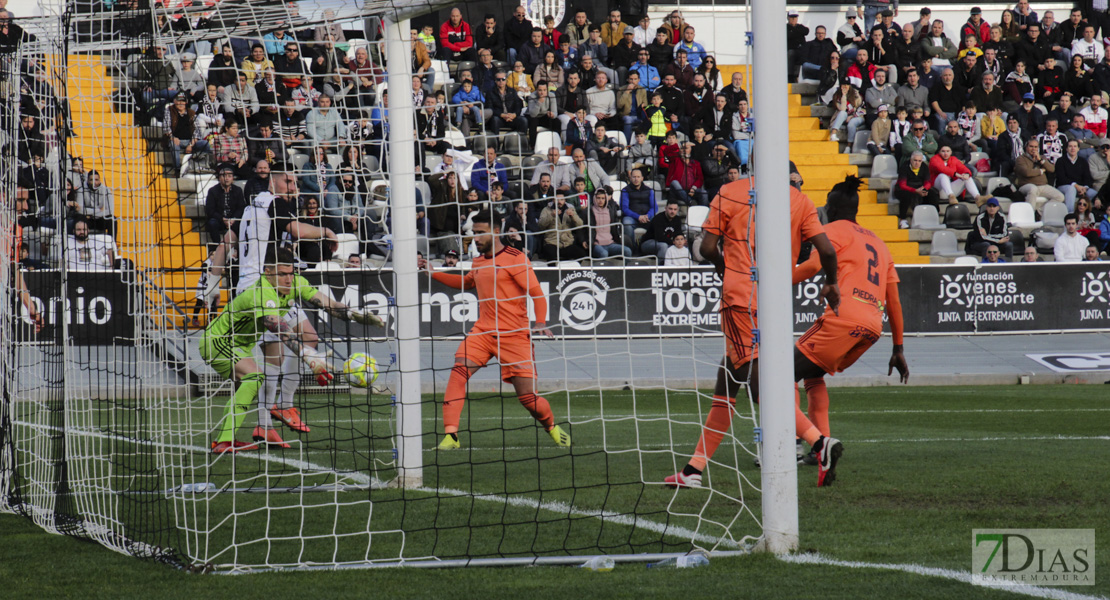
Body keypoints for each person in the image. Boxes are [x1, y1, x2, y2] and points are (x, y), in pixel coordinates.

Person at [664, 175, 842, 490]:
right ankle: (694, 469)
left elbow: (706, 247)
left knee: (759, 387)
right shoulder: (798, 199)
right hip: (774, 302)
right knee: (728, 379)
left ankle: (818, 443)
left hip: (741, 297)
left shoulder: (730, 192)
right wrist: (831, 282)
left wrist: (724, 267)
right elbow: (826, 251)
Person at [200, 247, 382, 453]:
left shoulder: (296, 283)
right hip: (217, 342)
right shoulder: (262, 293)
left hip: (239, 346)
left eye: (291, 273)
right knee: (254, 376)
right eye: (282, 274)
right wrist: (308, 356)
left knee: (254, 378)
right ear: (267, 272)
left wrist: (353, 315)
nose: (288, 279)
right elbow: (278, 328)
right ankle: (228, 439)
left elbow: (328, 304)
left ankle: (235, 436)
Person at [419, 210, 571, 450]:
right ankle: (451, 435)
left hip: (514, 336)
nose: (475, 238)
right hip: (483, 332)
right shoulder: (478, 260)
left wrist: (540, 322)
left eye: (480, 233)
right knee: (458, 372)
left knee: (528, 399)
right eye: (473, 233)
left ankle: (551, 426)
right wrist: (433, 273)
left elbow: (537, 295)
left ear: (496, 231)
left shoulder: (516, 258)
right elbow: (467, 282)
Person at [1014, 138, 1067, 209]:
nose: (1033, 149)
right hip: (1026, 186)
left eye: (1035, 147)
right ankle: (1030, 215)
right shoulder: (1020, 158)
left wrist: (1040, 160)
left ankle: (1040, 212)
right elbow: (1027, 172)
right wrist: (1041, 171)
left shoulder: (1041, 157)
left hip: (1042, 186)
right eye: (1031, 146)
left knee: (1060, 197)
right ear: (1026, 147)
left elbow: (1052, 169)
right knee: (1033, 189)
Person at [894, 150, 937, 228]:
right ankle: (902, 219)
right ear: (911, 160)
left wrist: (925, 188)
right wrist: (915, 190)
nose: (917, 163)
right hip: (904, 189)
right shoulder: (904, 167)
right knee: (907, 195)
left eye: (919, 161)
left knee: (933, 193)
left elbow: (928, 182)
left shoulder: (924, 166)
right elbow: (902, 184)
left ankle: (933, 216)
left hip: (919, 187)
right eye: (915, 160)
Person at [1056, 139, 1099, 210]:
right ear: (1066, 149)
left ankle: (1093, 216)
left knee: (1094, 194)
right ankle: (1070, 215)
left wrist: (1084, 188)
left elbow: (1087, 177)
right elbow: (1061, 178)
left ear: (1078, 149)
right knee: (1071, 189)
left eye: (1075, 146)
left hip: (1081, 188)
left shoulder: (1083, 161)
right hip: (1065, 187)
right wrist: (1076, 186)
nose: (1073, 148)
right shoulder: (1060, 161)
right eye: (1070, 146)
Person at [588, 187, 630, 258]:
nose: (600, 200)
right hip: (596, 244)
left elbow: (615, 227)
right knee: (604, 254)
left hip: (610, 243)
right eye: (598, 198)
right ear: (595, 198)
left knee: (627, 251)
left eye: (603, 198)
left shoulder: (610, 210)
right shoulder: (589, 211)